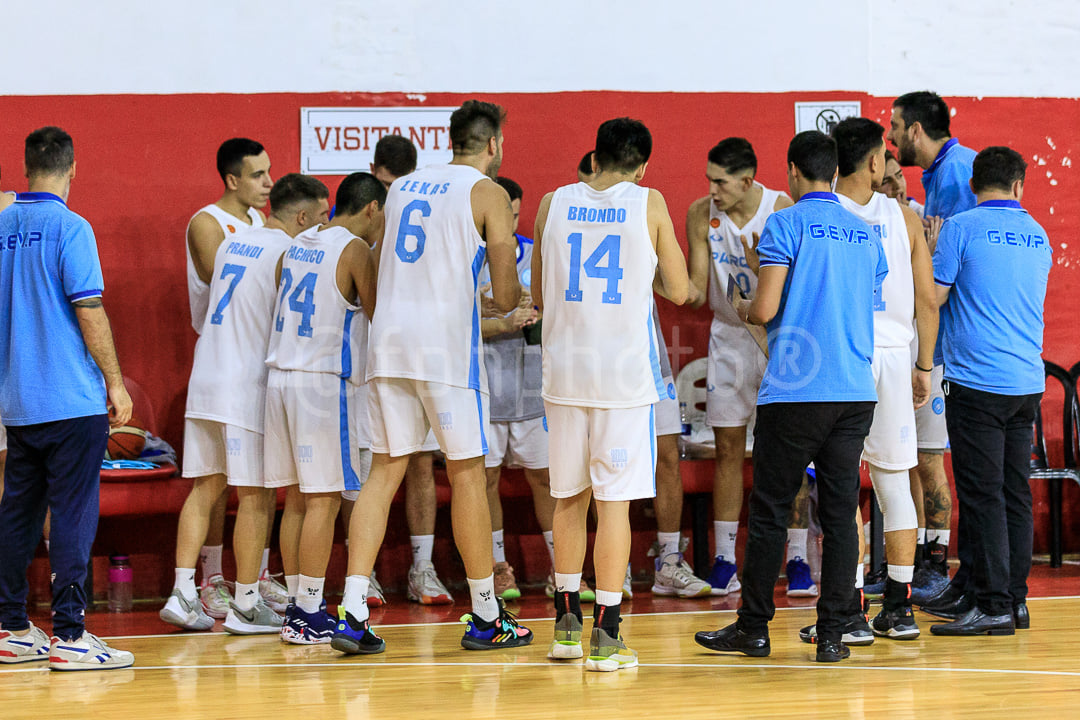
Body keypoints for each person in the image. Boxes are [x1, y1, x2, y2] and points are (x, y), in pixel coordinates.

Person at [333, 100, 531, 656]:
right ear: (492, 144)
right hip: (445, 352)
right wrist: (505, 304)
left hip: (389, 346)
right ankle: (488, 616)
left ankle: (351, 610)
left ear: (452, 140)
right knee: (468, 475)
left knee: (382, 474)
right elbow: (508, 291)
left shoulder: (403, 188)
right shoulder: (488, 194)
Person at [694, 130, 887, 663]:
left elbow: (763, 310)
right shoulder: (865, 232)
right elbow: (864, 304)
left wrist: (749, 286)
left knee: (772, 510)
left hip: (798, 389)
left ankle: (753, 628)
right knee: (841, 509)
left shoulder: (786, 222)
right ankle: (834, 634)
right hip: (854, 389)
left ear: (793, 172)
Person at [537, 117, 691, 671]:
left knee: (568, 500)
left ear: (595, 157)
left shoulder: (552, 202)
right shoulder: (649, 204)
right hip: (622, 378)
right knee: (614, 505)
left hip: (563, 374)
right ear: (643, 165)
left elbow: (539, 287)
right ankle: (607, 632)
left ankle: (563, 626)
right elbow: (679, 288)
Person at [160, 174, 330, 633]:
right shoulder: (288, 253)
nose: (324, 226)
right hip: (244, 383)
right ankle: (246, 603)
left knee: (205, 488)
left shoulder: (236, 242)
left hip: (207, 375)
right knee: (255, 497)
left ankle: (182, 591)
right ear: (302, 217)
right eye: (321, 217)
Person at [0, 126, 134, 670]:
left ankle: (10, 628)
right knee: (73, 512)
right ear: (73, 167)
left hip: (17, 399)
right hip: (71, 399)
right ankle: (71, 635)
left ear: (27, 165)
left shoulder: (2, 224)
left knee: (17, 513)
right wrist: (116, 382)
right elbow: (89, 310)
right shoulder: (72, 228)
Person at [685, 138, 818, 598]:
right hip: (728, 336)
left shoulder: (782, 208)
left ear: (746, 180)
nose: (711, 188)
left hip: (777, 337)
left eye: (719, 181)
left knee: (789, 452)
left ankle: (797, 557)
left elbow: (798, 284)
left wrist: (759, 267)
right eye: (709, 179)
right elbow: (698, 293)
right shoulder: (701, 214)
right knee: (727, 448)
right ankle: (724, 560)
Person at [928, 147, 1050, 636]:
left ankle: (995, 605)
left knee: (983, 498)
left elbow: (934, 296)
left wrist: (927, 251)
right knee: (1014, 494)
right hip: (1026, 383)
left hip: (978, 382)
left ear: (974, 183)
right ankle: (1013, 601)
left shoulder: (960, 227)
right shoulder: (1037, 233)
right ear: (1019, 186)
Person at [832, 117, 938, 640]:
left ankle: (849, 613)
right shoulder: (903, 218)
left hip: (841, 356)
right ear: (875, 161)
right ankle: (898, 608)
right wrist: (924, 368)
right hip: (895, 356)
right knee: (895, 484)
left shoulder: (818, 215)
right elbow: (927, 302)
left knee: (841, 487)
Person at [335, 135, 451, 609]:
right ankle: (362, 580)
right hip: (367, 364)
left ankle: (421, 566)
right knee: (368, 471)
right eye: (382, 189)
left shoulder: (422, 209)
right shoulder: (351, 239)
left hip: (411, 353)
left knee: (419, 462)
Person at [265, 172, 381, 645]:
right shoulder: (354, 249)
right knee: (325, 500)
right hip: (320, 382)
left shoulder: (297, 242)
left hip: (279, 376)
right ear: (372, 209)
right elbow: (380, 313)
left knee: (296, 498)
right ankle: (310, 612)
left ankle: (298, 604)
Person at [183, 138, 286, 620]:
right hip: (228, 363)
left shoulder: (264, 226)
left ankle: (252, 579)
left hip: (249, 365)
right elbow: (225, 279)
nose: (268, 183)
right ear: (231, 179)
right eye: (257, 175)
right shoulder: (207, 223)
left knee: (247, 485)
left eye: (269, 173)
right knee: (227, 487)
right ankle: (211, 581)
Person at [887, 91, 977, 610]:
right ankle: (927, 564)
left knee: (939, 463)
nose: (892, 136)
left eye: (896, 126)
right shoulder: (938, 174)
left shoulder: (955, 172)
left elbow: (957, 257)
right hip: (933, 340)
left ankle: (942, 569)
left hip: (949, 344)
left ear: (916, 129)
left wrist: (932, 246)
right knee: (922, 461)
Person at [480, 176, 554, 601]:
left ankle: (560, 568)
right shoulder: (467, 257)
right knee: (483, 480)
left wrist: (537, 312)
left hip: (531, 389)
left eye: (513, 212)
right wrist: (497, 319)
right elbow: (454, 324)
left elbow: (555, 309)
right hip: (483, 388)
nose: (507, 219)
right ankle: (496, 570)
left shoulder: (535, 255)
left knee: (545, 479)